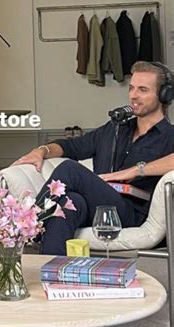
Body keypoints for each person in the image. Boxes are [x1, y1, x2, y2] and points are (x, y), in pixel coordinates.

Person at [11, 61, 174, 255]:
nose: (133, 95)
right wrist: (42, 150)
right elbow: (71, 146)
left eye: (143, 90)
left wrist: (135, 170)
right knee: (70, 202)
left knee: (70, 170)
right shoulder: (114, 128)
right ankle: (51, 274)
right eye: (131, 88)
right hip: (97, 206)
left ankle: (20, 231)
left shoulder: (169, 135)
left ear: (164, 95)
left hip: (132, 212)